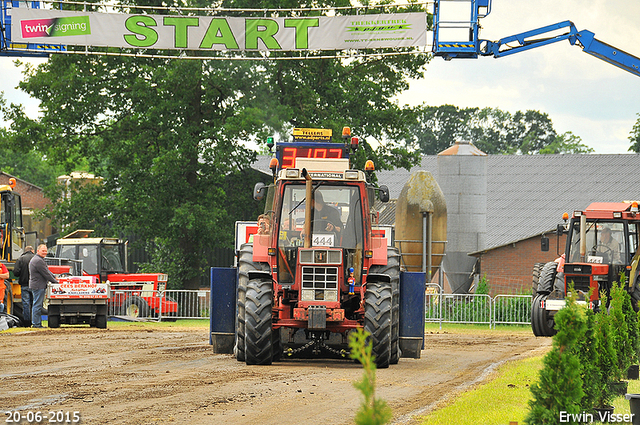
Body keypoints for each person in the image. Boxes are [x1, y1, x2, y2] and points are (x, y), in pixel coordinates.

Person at [29, 244, 58, 328]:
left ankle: (36, 323)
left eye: (46, 251)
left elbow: (47, 271)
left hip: (37, 285)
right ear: (38, 251)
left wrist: (54, 276)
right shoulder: (38, 261)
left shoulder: (39, 259)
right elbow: (46, 274)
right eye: (43, 251)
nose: (45, 252)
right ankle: (36, 324)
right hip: (38, 286)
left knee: (37, 305)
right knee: (37, 305)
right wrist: (55, 282)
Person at [13, 246, 35, 326]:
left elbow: (16, 272)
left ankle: (27, 322)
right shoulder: (35, 258)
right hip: (34, 285)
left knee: (26, 304)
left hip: (24, 284)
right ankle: (35, 321)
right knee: (35, 303)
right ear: (32, 250)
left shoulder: (20, 259)